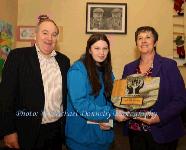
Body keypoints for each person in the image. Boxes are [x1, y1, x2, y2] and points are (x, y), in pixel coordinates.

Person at [0, 15, 70, 150]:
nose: (49, 38)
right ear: (35, 35)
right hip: (25, 131)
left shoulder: (64, 61)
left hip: (56, 130)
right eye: (45, 33)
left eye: (54, 34)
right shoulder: (17, 56)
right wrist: (8, 131)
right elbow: (5, 97)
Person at [122, 26, 186, 150]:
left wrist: (159, 117)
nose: (143, 41)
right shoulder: (129, 68)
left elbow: (181, 99)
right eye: (140, 38)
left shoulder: (169, 65)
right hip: (135, 131)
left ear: (155, 42)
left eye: (148, 37)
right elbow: (124, 98)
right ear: (136, 43)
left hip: (163, 131)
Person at [65, 33, 126, 150]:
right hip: (82, 140)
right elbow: (80, 104)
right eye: (97, 48)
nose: (101, 53)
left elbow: (111, 99)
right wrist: (111, 114)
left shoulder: (107, 70)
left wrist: (109, 119)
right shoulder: (77, 70)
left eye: (105, 48)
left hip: (104, 138)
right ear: (89, 50)